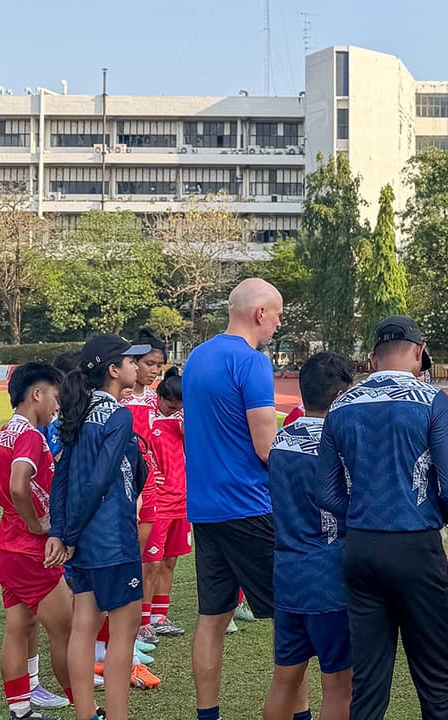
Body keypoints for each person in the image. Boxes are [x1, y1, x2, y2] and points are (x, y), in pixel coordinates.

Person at [316, 316, 448, 719]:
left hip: (361, 547)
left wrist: (365, 516)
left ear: (372, 357)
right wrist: (429, 516)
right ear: (419, 352)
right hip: (416, 544)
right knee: (436, 683)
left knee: (367, 687)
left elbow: (326, 492)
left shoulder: (341, 405)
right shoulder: (433, 401)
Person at [182, 277, 284, 720]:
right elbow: (268, 448)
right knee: (290, 616)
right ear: (260, 313)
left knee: (213, 616)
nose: (277, 325)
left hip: (204, 509)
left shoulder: (196, 357)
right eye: (277, 315)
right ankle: (296, 712)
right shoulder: (253, 362)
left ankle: (208, 714)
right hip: (249, 507)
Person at [47, 334, 152, 720]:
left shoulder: (78, 410)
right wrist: (67, 534)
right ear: (112, 370)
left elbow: (62, 476)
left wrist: (62, 532)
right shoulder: (118, 416)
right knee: (123, 635)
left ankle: (86, 714)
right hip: (112, 540)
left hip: (86, 541)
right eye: (129, 361)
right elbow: (99, 480)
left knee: (83, 627)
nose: (135, 367)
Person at [0, 362, 74, 720]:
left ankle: (20, 711)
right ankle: (86, 707)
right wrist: (34, 523)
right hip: (31, 551)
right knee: (67, 631)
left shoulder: (6, 431)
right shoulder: (31, 435)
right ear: (37, 394)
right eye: (55, 397)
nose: (57, 406)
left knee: (18, 629)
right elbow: (19, 483)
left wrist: (14, 510)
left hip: (5, 547)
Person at [264, 352, 356, 720]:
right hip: (328, 576)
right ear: (338, 396)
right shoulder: (340, 445)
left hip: (287, 574)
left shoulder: (280, 440)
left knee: (285, 680)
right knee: (338, 684)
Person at [121, 329, 165, 662]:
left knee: (142, 559)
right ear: (131, 363)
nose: (154, 371)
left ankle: (133, 632)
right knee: (126, 558)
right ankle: (118, 636)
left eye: (159, 366)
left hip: (148, 485)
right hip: (126, 485)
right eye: (149, 364)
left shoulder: (152, 399)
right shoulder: (119, 398)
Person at [144, 368, 188, 638]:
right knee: (151, 563)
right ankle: (143, 622)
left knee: (170, 562)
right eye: (171, 404)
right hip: (158, 503)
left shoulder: (183, 420)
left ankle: (160, 616)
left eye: (180, 405)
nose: (174, 409)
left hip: (182, 502)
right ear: (160, 397)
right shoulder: (147, 420)